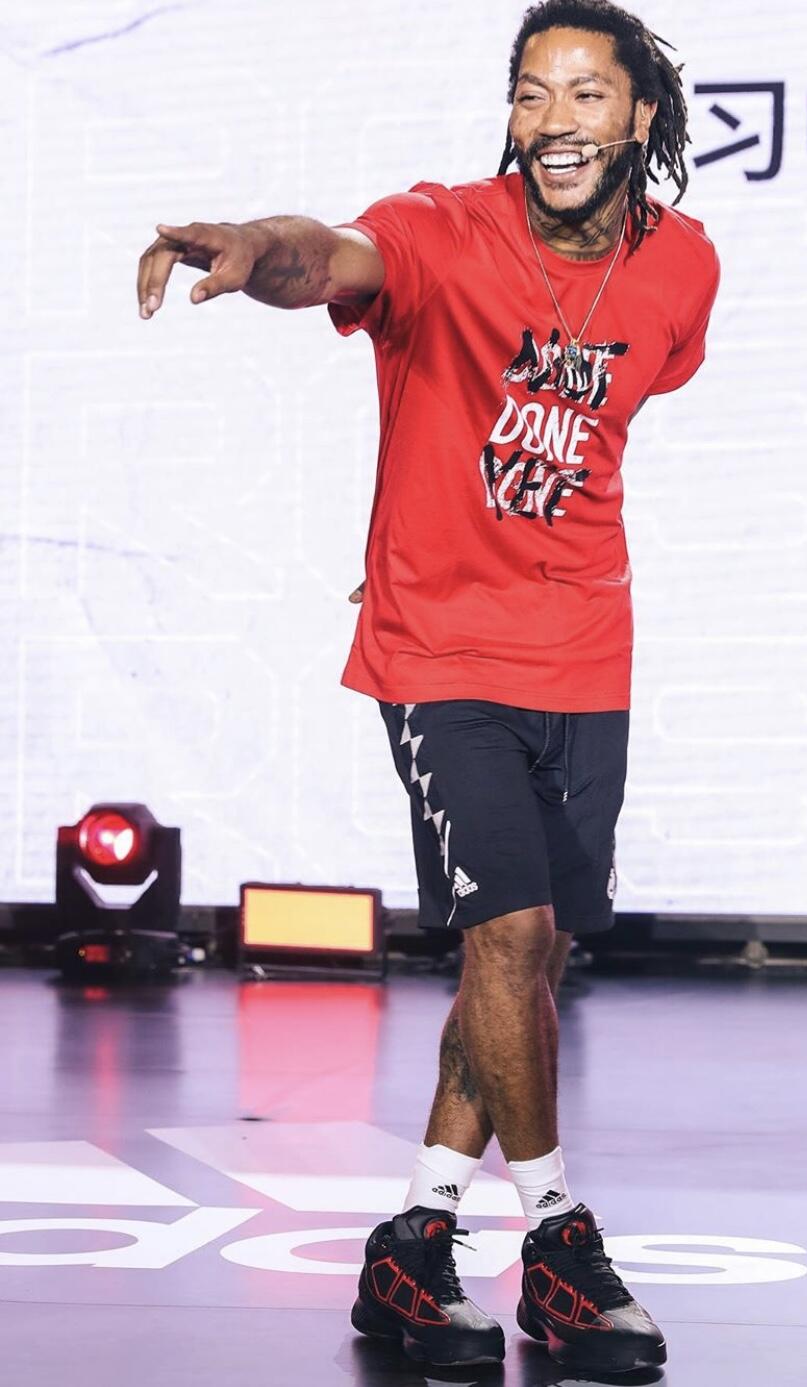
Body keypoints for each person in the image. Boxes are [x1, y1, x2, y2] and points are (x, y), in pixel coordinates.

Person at [136, 0, 718, 1371]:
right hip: (440, 651)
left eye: (586, 95)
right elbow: (329, 256)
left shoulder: (682, 267)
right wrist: (256, 250)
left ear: (639, 117)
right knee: (509, 940)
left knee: (526, 958)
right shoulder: (443, 232)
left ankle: (414, 1241)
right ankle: (559, 1243)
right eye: (531, 94)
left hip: (586, 647)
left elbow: (594, 425)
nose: (554, 122)